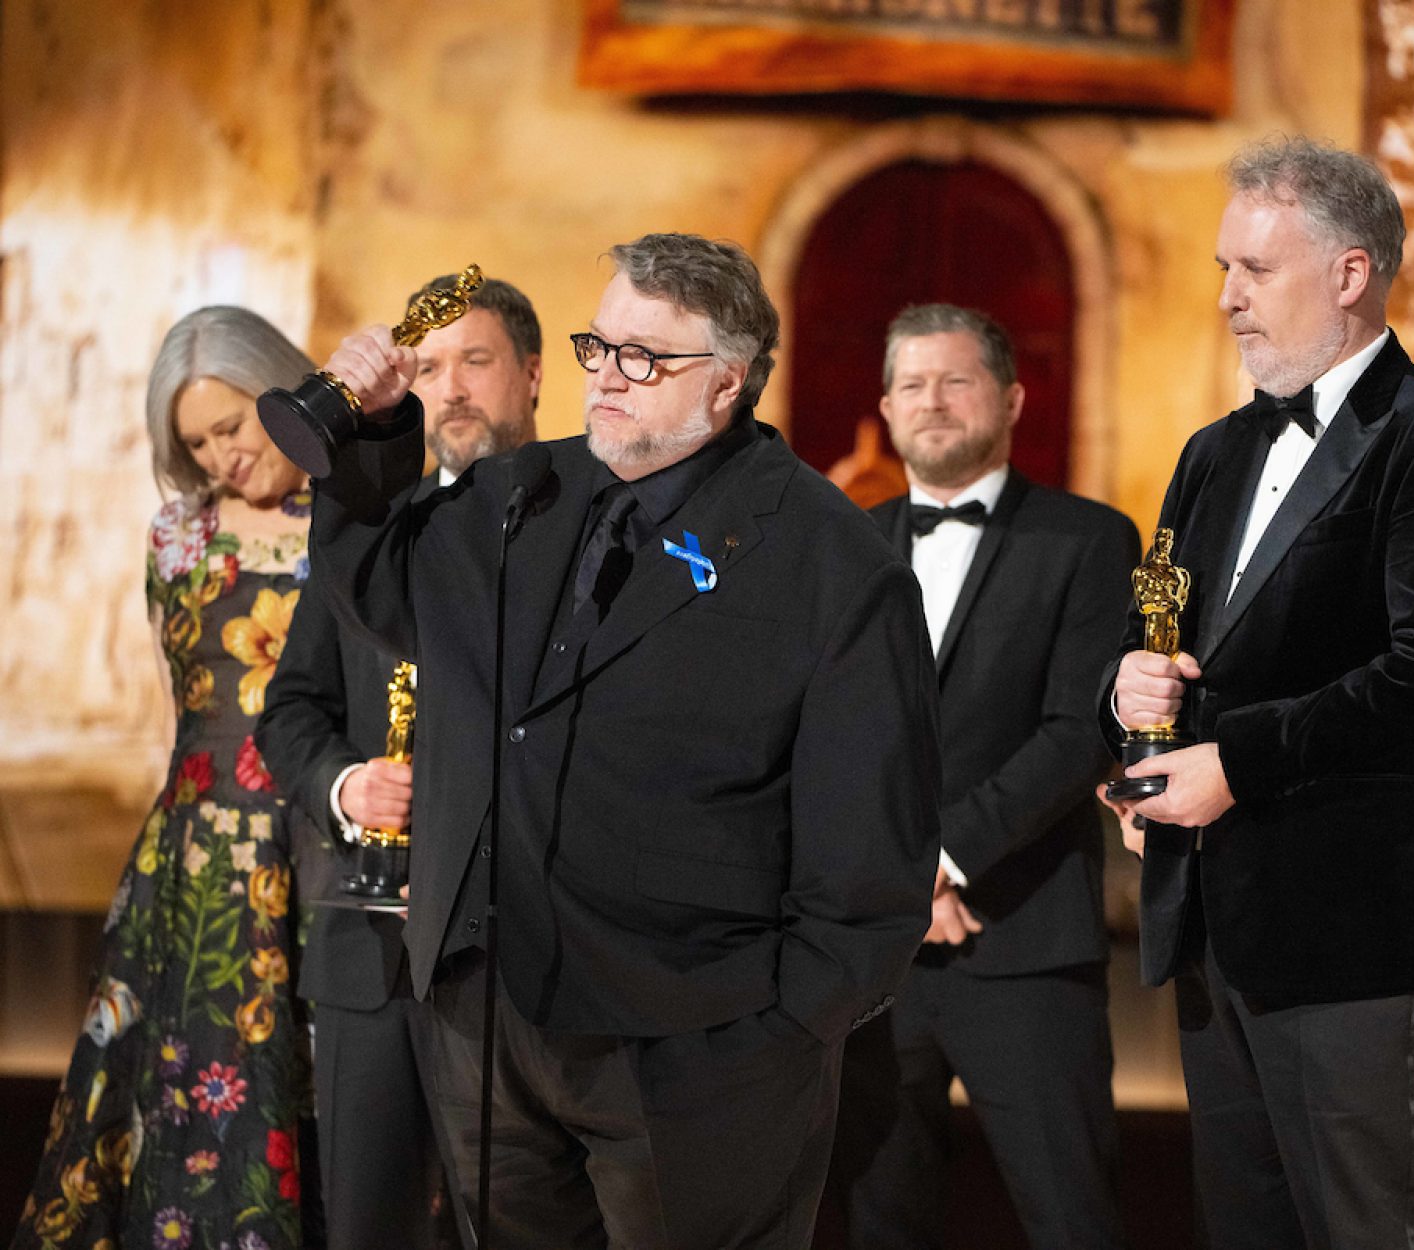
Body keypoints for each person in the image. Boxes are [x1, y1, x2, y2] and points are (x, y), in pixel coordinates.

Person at [296, 231, 941, 1250]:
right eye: (600, 346)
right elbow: (379, 583)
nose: (607, 376)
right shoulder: (519, 494)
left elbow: (872, 857)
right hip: (491, 1019)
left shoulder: (835, 563)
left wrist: (776, 1036)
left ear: (726, 384)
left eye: (645, 357)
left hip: (699, 1049)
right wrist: (376, 432)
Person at [1104, 135, 1414, 1249]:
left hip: (1356, 937)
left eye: (1254, 271)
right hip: (1216, 931)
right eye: (1222, 269)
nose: (1226, 298)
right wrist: (1128, 695)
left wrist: (1235, 761)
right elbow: (1161, 625)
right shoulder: (1211, 449)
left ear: (1350, 272)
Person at [829, 304, 1138, 1249]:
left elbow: (1076, 732)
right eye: (912, 384)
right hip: (876, 956)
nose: (932, 400)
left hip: (1027, 941)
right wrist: (896, 877)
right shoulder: (842, 543)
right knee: (882, 1219)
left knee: (1073, 1218)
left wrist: (943, 858)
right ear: (885, 405)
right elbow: (826, 735)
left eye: (955, 379)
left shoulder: (1090, 540)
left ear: (1010, 397)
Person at [14, 307, 320, 1249]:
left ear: (279, 385)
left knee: (317, 1110)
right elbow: (179, 704)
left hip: (318, 849)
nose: (223, 454)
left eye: (232, 425)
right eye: (197, 442)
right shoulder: (177, 537)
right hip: (192, 866)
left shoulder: (357, 520)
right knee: (182, 1102)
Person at [256, 275, 542, 1250]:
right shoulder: (365, 534)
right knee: (367, 1225)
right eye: (429, 365)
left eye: (478, 359)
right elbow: (291, 706)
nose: (451, 386)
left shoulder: (586, 527)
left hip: (514, 962)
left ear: (535, 375)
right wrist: (345, 782)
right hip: (365, 954)